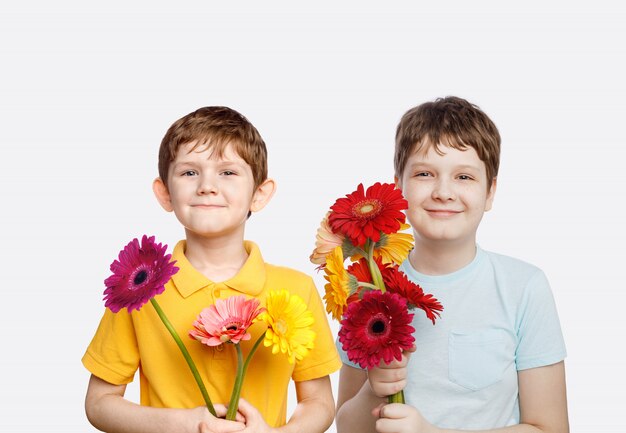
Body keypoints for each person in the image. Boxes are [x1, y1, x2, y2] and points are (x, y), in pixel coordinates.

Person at [83, 106, 341, 433]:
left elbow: (318, 402)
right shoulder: (135, 292)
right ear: (165, 193)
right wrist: (182, 423)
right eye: (190, 172)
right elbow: (99, 402)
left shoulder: (296, 289)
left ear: (259, 194)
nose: (207, 185)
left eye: (228, 172)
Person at [335, 96, 569, 433]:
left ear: (490, 192)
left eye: (464, 177)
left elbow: (551, 428)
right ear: (398, 186)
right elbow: (347, 427)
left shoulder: (524, 288)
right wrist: (376, 388)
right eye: (425, 173)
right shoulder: (368, 285)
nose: (444, 192)